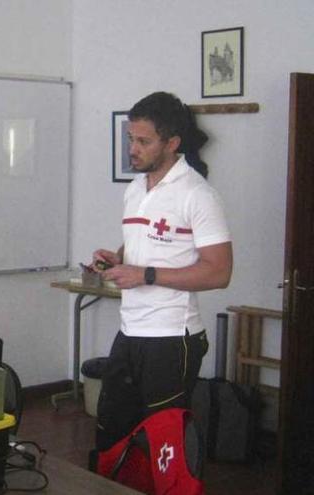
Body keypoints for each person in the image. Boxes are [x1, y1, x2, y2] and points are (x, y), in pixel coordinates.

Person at [91, 92, 233, 452]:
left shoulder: (198, 195)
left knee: (161, 443)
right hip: (131, 329)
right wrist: (117, 257)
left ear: (172, 143)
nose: (132, 149)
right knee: (111, 434)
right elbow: (146, 244)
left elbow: (219, 273)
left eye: (143, 141)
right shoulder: (136, 188)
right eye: (130, 139)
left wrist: (146, 275)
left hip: (172, 337)